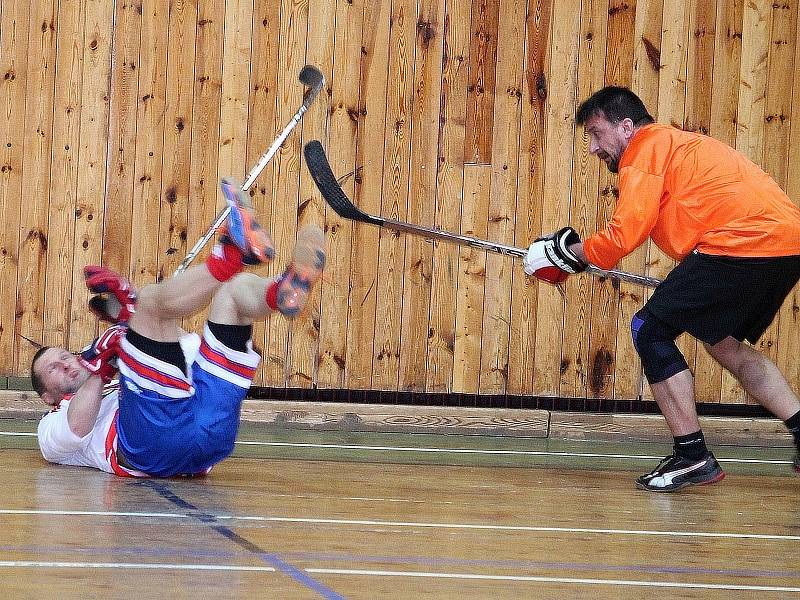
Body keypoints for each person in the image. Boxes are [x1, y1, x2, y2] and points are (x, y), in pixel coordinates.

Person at [523, 85, 800, 492]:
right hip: (785, 245)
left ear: (627, 126)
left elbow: (622, 236)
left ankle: (692, 456)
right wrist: (576, 253)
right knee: (722, 343)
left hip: (741, 243)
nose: (593, 148)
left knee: (648, 330)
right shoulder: (675, 145)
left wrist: (564, 252)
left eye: (597, 134)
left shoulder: (646, 149)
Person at [31, 179, 325, 477]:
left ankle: (280, 291)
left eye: (64, 356)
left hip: (209, 435)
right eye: (53, 368)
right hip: (149, 449)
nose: (65, 364)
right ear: (47, 397)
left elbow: (187, 347)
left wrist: (130, 327)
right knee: (147, 306)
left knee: (232, 295)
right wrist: (104, 364)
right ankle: (228, 258)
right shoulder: (50, 426)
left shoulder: (121, 377)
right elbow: (76, 430)